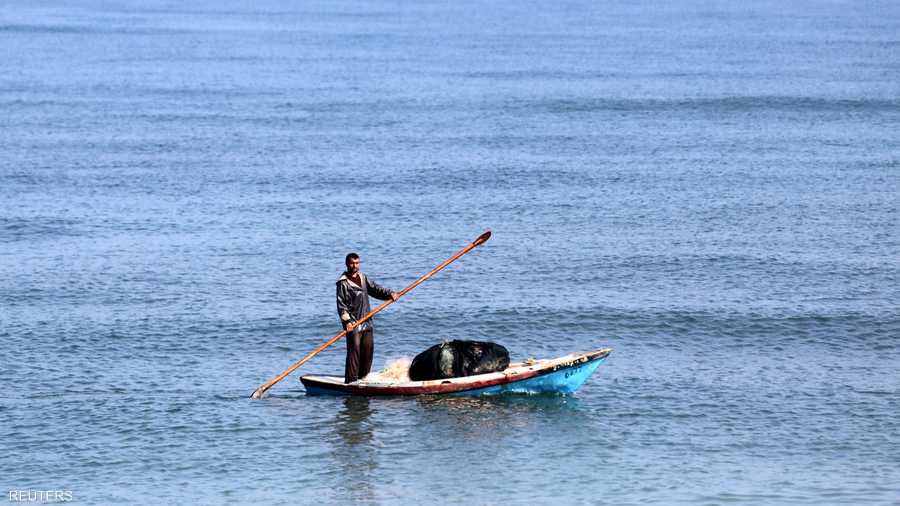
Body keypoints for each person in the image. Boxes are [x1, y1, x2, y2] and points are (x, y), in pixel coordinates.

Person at [336, 252, 399, 383]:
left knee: (368, 351)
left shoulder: (363, 277)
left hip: (367, 321)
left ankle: (363, 379)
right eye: (352, 263)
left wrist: (390, 294)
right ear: (347, 264)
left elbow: (375, 289)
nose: (355, 266)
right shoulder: (343, 283)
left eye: (357, 263)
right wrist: (347, 321)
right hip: (353, 323)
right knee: (355, 352)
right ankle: (351, 381)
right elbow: (341, 305)